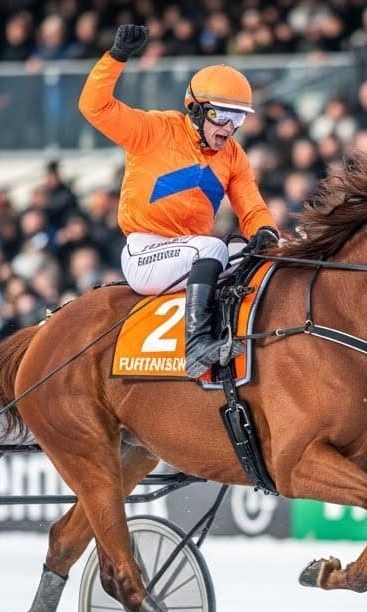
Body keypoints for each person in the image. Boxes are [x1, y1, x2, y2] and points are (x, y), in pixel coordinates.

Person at [79, 24, 279, 378]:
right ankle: (197, 346)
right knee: (213, 250)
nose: (229, 128)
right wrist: (116, 57)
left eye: (238, 119)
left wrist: (265, 233)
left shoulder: (233, 156)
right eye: (222, 116)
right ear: (197, 110)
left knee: (252, 257)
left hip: (190, 252)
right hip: (146, 252)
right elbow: (94, 107)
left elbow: (252, 206)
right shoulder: (154, 130)